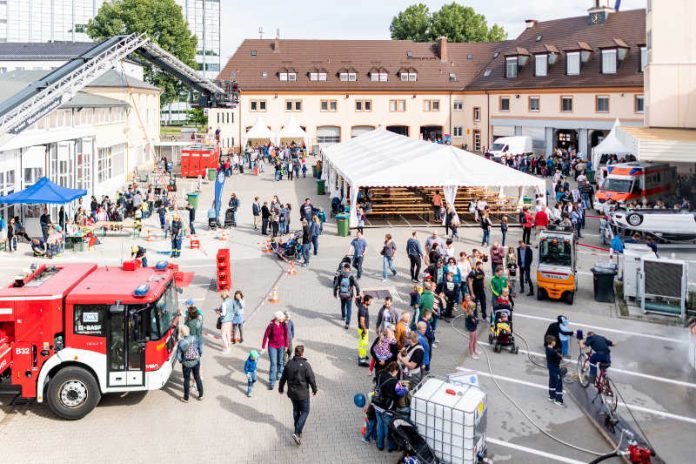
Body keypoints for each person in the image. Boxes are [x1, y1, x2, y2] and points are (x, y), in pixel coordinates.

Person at [279, 345, 317, 446]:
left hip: (292, 393)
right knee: (305, 411)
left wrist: (281, 388)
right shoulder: (305, 365)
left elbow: (283, 378)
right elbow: (311, 378)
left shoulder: (289, 364)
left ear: (295, 352)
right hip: (303, 394)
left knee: (296, 410)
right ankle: (297, 432)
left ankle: (298, 431)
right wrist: (314, 389)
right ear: (302, 353)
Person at [371, 361, 400, 452]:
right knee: (388, 427)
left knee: (380, 425)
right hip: (387, 408)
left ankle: (380, 444)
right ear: (395, 370)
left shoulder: (380, 374)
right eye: (397, 372)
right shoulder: (394, 382)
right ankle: (390, 446)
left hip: (377, 404)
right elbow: (397, 396)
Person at [262, 311, 290, 390]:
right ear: (278, 318)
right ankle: (271, 382)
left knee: (280, 361)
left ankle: (279, 373)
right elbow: (265, 336)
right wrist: (263, 347)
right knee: (273, 363)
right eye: (282, 318)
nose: (283, 319)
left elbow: (286, 335)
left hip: (281, 346)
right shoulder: (271, 326)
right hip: (272, 346)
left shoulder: (284, 325)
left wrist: (286, 345)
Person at [176, 325, 203, 402]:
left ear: (181, 333)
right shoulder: (195, 338)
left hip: (186, 363)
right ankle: (201, 395)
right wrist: (199, 355)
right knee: (197, 377)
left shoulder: (181, 343)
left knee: (186, 380)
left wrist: (181, 361)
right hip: (196, 361)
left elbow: (178, 356)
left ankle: (186, 398)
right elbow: (200, 349)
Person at [333, 262, 361, 329]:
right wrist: (357, 294)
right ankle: (347, 323)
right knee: (349, 309)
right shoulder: (351, 277)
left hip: (342, 294)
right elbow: (357, 286)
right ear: (349, 269)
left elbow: (335, 285)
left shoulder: (340, 276)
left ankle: (343, 316)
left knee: (342, 305)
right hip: (349, 295)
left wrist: (335, 293)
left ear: (343, 269)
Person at [545, 335, 564, 406]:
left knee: (552, 380)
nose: (555, 342)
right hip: (555, 368)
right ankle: (558, 399)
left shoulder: (547, 349)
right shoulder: (553, 352)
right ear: (552, 342)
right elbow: (559, 358)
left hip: (550, 366)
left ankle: (551, 395)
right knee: (559, 382)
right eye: (554, 341)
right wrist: (560, 356)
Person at [357, 295, 372, 366]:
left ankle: (363, 355)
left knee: (363, 343)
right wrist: (364, 330)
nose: (371, 302)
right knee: (363, 344)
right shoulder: (363, 309)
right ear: (366, 302)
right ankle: (361, 360)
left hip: (363, 328)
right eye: (370, 301)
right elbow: (362, 322)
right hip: (363, 329)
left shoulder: (363, 306)